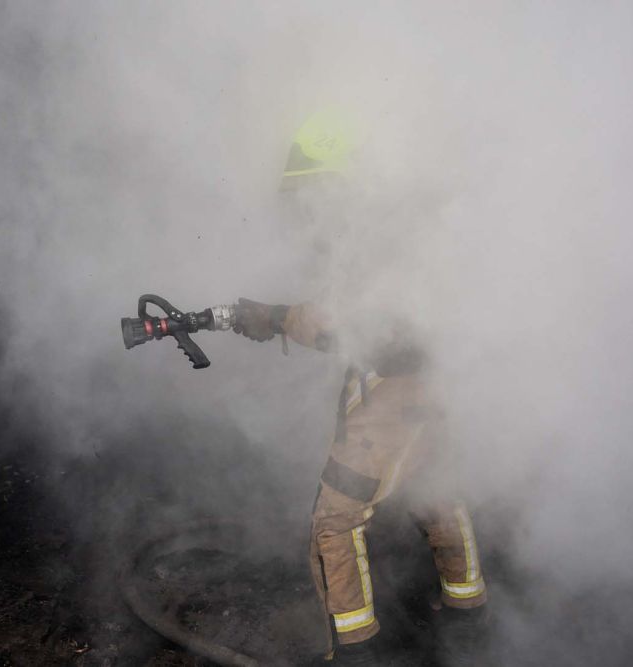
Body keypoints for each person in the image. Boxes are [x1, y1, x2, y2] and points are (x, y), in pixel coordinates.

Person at [233, 110, 489, 665]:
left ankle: (355, 650)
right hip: (429, 387)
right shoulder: (396, 225)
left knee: (334, 523)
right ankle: (468, 613)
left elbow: (347, 322)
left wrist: (273, 318)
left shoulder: (372, 238)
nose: (303, 210)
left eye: (309, 192)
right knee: (434, 490)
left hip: (393, 396)